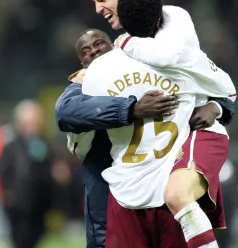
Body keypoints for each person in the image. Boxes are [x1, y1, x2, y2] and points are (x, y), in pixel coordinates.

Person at [81, 0, 236, 247]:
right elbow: (227, 89)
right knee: (181, 199)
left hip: (127, 187)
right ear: (159, 18)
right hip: (168, 182)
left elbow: (78, 129)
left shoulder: (98, 72)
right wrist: (216, 106)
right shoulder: (185, 57)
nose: (99, 8)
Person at [55, 28, 179, 248]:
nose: (93, 51)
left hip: (153, 175)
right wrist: (130, 109)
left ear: (113, 46)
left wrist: (218, 105)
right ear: (82, 62)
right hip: (103, 174)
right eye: (86, 51)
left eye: (98, 44)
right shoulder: (82, 83)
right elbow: (65, 113)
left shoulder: (141, 71)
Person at [0, 100, 53, 248]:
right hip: (19, 201)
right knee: (21, 237)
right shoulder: (12, 146)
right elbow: (4, 169)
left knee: (36, 234)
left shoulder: (42, 144)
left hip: (39, 201)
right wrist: (9, 192)